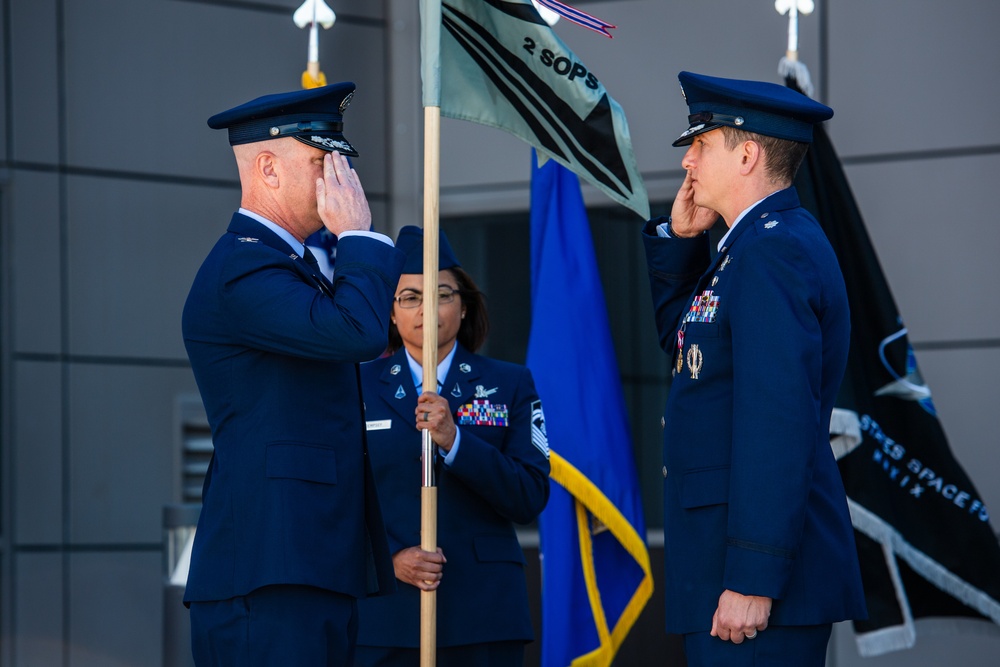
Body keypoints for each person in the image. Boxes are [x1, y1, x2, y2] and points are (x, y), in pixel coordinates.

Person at [642, 71, 867, 666]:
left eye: (701, 144)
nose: (688, 161)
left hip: (748, 581)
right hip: (722, 567)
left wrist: (753, 577)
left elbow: (777, 421)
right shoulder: (747, 246)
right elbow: (688, 355)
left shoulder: (773, 250)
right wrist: (680, 242)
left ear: (746, 154)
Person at [181, 82, 405, 666]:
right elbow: (358, 333)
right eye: (321, 161)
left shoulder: (290, 266)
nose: (342, 179)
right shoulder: (244, 268)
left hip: (309, 562)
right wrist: (358, 235)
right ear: (267, 169)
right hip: (267, 570)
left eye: (342, 162)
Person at [353, 226, 551, 667]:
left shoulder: (510, 383)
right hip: (383, 615)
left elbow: (529, 496)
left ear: (464, 307)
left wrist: (456, 440)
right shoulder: (354, 386)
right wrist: (387, 559)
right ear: (389, 312)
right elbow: (332, 498)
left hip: (482, 614)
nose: (427, 309)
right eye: (409, 297)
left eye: (442, 294)